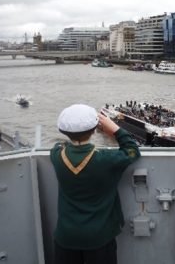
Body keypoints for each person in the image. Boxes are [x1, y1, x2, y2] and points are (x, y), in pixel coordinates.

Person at [50, 104, 141, 264]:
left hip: (66, 236)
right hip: (100, 238)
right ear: (94, 130)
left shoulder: (57, 155)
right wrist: (115, 129)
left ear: (63, 131)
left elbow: (59, 145)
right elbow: (132, 150)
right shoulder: (105, 159)